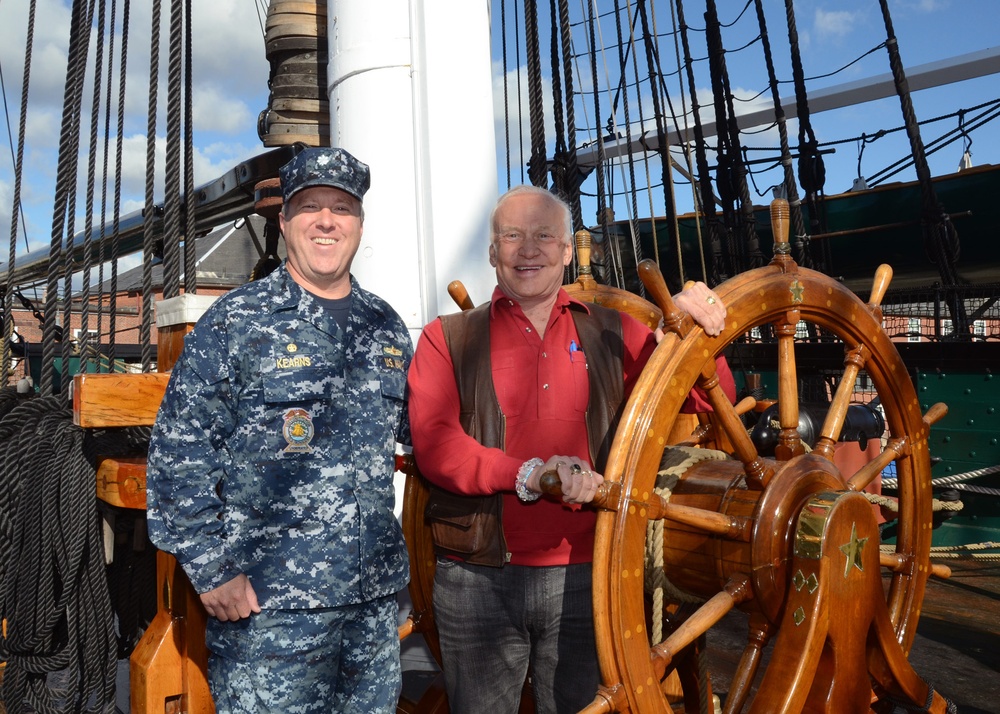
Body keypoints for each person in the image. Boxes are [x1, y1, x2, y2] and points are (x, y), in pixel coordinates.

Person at [406, 184, 735, 713]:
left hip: (594, 574)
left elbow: (702, 396)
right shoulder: (446, 338)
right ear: (492, 252)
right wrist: (532, 475)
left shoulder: (615, 332)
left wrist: (696, 331)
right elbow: (437, 447)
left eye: (544, 236)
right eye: (512, 236)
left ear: (566, 251)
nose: (527, 249)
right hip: (476, 581)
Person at [146, 147, 412, 713]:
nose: (326, 221)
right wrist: (212, 569)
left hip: (371, 609)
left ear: (359, 224)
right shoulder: (237, 322)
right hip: (269, 614)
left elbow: (426, 436)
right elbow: (179, 454)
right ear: (285, 221)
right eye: (310, 206)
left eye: (342, 208)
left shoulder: (385, 326)